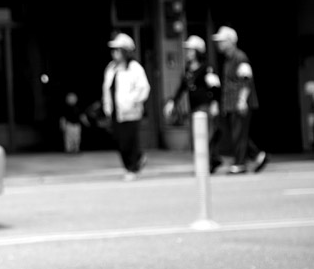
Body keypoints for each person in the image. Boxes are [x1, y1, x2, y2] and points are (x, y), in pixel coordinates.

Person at [211, 26, 267, 175]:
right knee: (238, 133)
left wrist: (242, 100)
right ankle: (258, 156)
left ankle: (240, 163)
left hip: (239, 103)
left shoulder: (240, 57)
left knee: (239, 133)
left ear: (231, 41)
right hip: (231, 103)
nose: (219, 44)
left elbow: (246, 79)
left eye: (222, 41)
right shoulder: (228, 59)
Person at [163, 35, 221, 167]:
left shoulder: (207, 68)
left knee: (206, 135)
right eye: (187, 50)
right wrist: (173, 102)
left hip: (205, 106)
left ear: (198, 51)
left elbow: (215, 87)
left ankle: (209, 161)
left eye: (191, 50)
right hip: (194, 107)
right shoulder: (188, 69)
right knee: (197, 136)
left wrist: (215, 103)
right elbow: (182, 87)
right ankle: (209, 161)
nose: (188, 53)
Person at [102, 33, 151, 180]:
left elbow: (143, 88)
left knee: (129, 141)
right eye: (113, 50)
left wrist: (133, 101)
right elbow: (106, 89)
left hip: (131, 112)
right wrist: (107, 106)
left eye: (118, 50)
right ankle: (137, 160)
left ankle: (132, 168)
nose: (114, 53)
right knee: (119, 141)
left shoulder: (135, 68)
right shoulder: (111, 68)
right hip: (116, 112)